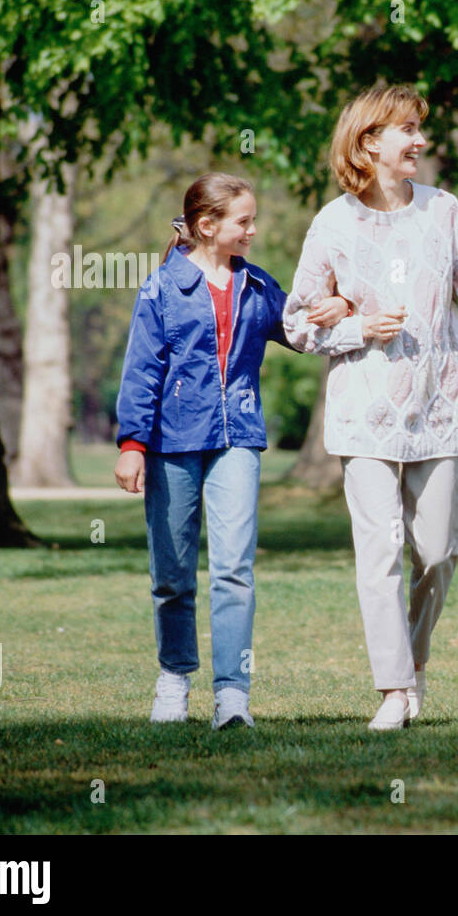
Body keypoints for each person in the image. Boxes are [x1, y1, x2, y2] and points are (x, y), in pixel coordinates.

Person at [284, 85, 458, 731]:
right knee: (380, 554)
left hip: (440, 412)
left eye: (419, 128)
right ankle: (394, 686)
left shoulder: (443, 210)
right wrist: (358, 328)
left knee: (438, 550)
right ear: (367, 142)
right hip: (365, 418)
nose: (420, 140)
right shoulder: (332, 223)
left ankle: (411, 662)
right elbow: (298, 322)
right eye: (407, 129)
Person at [114, 172, 347, 729]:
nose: (252, 230)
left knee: (234, 570)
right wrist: (132, 445)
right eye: (244, 221)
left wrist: (336, 311)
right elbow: (142, 371)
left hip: (237, 439)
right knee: (172, 573)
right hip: (171, 444)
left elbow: (299, 330)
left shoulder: (257, 287)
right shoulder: (162, 289)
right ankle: (174, 679)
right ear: (207, 225)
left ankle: (232, 695)